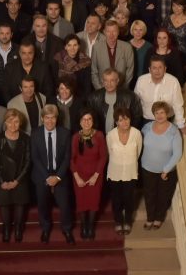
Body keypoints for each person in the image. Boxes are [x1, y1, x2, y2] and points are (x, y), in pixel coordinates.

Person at [30, 104, 75, 244]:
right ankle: (45, 228)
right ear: (42, 119)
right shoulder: (35, 133)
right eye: (47, 118)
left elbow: (67, 158)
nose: (50, 121)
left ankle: (67, 229)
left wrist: (58, 177)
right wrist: (47, 177)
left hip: (60, 173)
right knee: (42, 204)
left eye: (53, 118)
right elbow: (35, 158)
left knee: (65, 205)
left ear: (57, 119)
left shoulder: (65, 133)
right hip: (42, 174)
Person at [140, 101, 183, 230]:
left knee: (163, 196)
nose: (159, 115)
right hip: (147, 168)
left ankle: (158, 218)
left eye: (162, 112)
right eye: (157, 113)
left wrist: (166, 170)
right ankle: (150, 218)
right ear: (153, 114)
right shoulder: (146, 128)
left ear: (167, 114)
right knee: (149, 195)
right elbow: (138, 144)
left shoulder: (174, 131)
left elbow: (177, 153)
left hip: (166, 171)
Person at [0, 108, 31, 243]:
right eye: (10, 121)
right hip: (2, 179)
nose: (13, 125)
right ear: (5, 123)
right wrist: (2, 181)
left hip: (20, 179)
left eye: (16, 122)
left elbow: (28, 162)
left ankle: (19, 228)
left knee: (20, 203)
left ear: (20, 123)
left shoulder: (26, 138)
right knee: (4, 203)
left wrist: (17, 181)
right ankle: (7, 228)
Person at [71, 109, 107, 240]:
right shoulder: (75, 137)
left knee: (93, 201)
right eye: (84, 119)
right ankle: (83, 226)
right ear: (80, 122)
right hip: (79, 176)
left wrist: (95, 176)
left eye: (89, 119)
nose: (86, 122)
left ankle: (90, 226)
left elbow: (103, 157)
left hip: (96, 175)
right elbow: (71, 159)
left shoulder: (99, 135)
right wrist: (77, 177)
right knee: (81, 202)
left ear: (93, 121)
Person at [106, 106, 143, 235]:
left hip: (130, 172)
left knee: (129, 198)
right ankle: (118, 221)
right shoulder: (110, 135)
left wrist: (128, 163)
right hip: (114, 172)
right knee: (116, 199)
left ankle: (127, 221)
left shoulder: (136, 133)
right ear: (116, 122)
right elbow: (109, 152)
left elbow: (138, 152)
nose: (124, 122)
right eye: (121, 120)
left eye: (126, 119)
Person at [134, 55, 186, 134]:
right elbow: (135, 103)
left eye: (160, 67)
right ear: (149, 70)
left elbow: (178, 105)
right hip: (146, 121)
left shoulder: (173, 82)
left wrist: (181, 126)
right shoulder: (141, 81)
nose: (157, 71)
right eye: (154, 68)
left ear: (165, 69)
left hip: (167, 120)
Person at [87, 68, 143, 133]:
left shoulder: (130, 97)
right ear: (102, 81)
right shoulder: (93, 97)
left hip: (122, 135)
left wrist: (127, 133)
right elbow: (90, 118)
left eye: (112, 80)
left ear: (117, 81)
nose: (109, 84)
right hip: (101, 136)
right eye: (106, 81)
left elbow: (136, 117)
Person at [160, 0, 186, 80]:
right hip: (167, 56)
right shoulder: (167, 19)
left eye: (179, 6)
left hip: (182, 59)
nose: (176, 8)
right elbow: (161, 37)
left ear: (184, 7)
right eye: (174, 5)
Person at [91, 20, 135, 90]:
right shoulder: (96, 47)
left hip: (122, 88)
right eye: (108, 31)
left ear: (118, 32)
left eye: (114, 31)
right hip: (102, 88)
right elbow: (94, 71)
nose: (111, 34)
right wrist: (100, 89)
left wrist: (123, 89)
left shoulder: (127, 47)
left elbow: (130, 70)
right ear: (104, 32)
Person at [129, 20, 152, 87]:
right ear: (132, 31)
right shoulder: (126, 45)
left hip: (145, 80)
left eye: (140, 30)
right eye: (135, 30)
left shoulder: (149, 47)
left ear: (144, 31)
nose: (138, 33)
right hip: (129, 80)